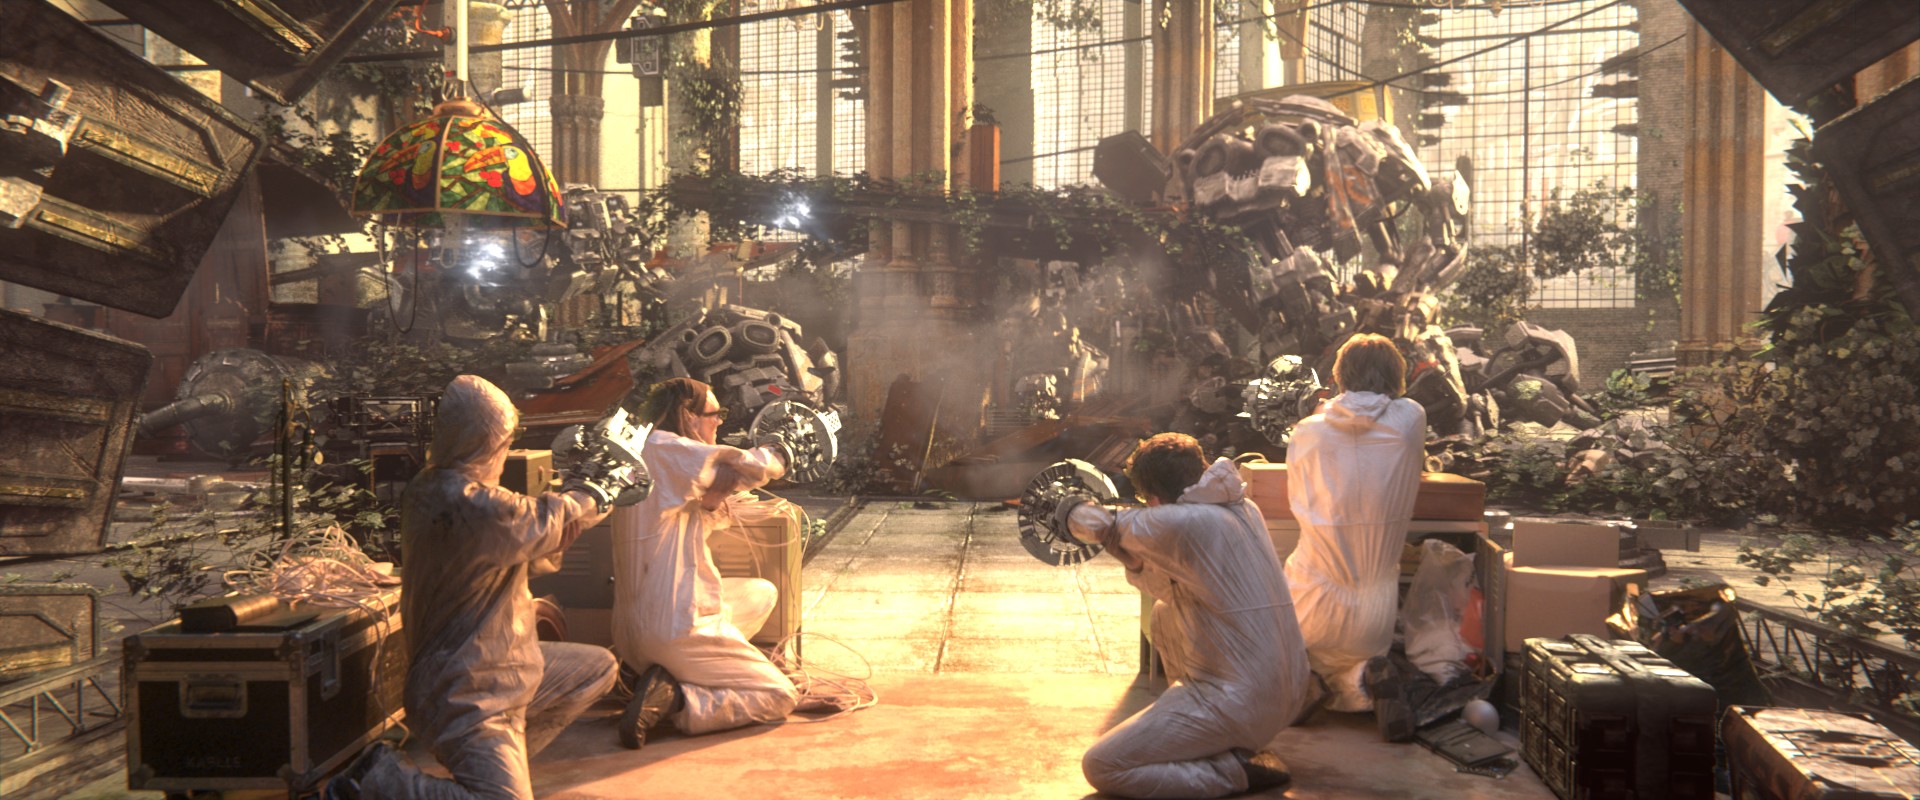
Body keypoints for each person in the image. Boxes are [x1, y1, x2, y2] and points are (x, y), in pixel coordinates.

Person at [329, 375, 617, 800]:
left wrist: (570, 520)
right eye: (505, 442)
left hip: (502, 668)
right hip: (465, 689)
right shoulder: (463, 499)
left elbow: (526, 543)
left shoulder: (432, 488)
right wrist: (597, 490)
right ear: (488, 441)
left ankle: (503, 767)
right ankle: (379, 777)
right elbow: (545, 518)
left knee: (597, 669)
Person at [1061, 433, 1309, 799]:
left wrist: (1066, 508)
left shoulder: (1185, 521)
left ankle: (1231, 770)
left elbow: (1098, 524)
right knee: (1164, 614)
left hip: (1241, 701)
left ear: (1154, 498)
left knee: (1104, 764)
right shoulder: (1244, 509)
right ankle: (1210, 738)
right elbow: (1174, 587)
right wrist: (1131, 559)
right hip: (1290, 692)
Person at [607, 378, 799, 749]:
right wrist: (781, 451)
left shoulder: (643, 452)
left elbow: (689, 515)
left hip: (633, 630)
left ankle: (658, 675)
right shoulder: (665, 447)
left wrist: (712, 502)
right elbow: (742, 466)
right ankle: (678, 700)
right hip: (675, 623)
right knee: (779, 695)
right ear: (687, 415)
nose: (720, 422)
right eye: (715, 414)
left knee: (760, 592)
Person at [1283, 333, 1427, 723]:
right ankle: (1364, 677)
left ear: (1338, 376)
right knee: (1354, 658)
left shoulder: (1307, 431)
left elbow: (1298, 496)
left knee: (1289, 638)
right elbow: (1392, 411)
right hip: (1375, 613)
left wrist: (1324, 408)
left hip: (1312, 601)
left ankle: (1307, 682)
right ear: (1396, 375)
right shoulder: (1411, 419)